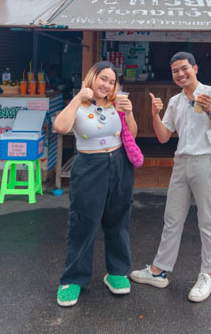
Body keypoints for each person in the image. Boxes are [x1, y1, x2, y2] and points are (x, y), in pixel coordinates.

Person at [130, 52, 211, 303]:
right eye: (175, 71)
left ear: (195, 68)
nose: (180, 74)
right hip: (181, 162)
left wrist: (210, 111)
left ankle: (208, 274)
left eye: (184, 68)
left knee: (207, 219)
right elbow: (164, 136)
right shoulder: (175, 101)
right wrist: (155, 114)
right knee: (172, 218)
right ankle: (159, 271)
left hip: (205, 161)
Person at [52, 61, 138, 307]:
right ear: (92, 78)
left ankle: (117, 272)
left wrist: (129, 112)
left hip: (119, 164)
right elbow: (60, 127)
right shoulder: (79, 104)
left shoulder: (116, 104)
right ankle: (73, 279)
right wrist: (78, 97)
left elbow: (132, 133)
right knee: (83, 222)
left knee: (118, 220)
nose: (107, 85)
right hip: (90, 166)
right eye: (103, 78)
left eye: (112, 81)